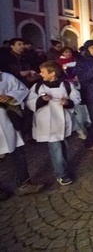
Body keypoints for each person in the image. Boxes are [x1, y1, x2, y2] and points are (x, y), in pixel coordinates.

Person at [26, 61, 81, 186]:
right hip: (47, 122)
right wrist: (41, 100)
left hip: (62, 121)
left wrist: (67, 103)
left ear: (52, 74)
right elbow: (29, 101)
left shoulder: (66, 85)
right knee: (55, 147)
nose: (40, 74)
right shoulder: (37, 87)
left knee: (63, 146)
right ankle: (62, 174)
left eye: (43, 72)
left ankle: (62, 168)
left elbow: (76, 98)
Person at [0, 70, 44, 198]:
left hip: (6, 119)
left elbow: (22, 89)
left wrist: (10, 96)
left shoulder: (6, 77)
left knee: (17, 151)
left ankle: (25, 183)